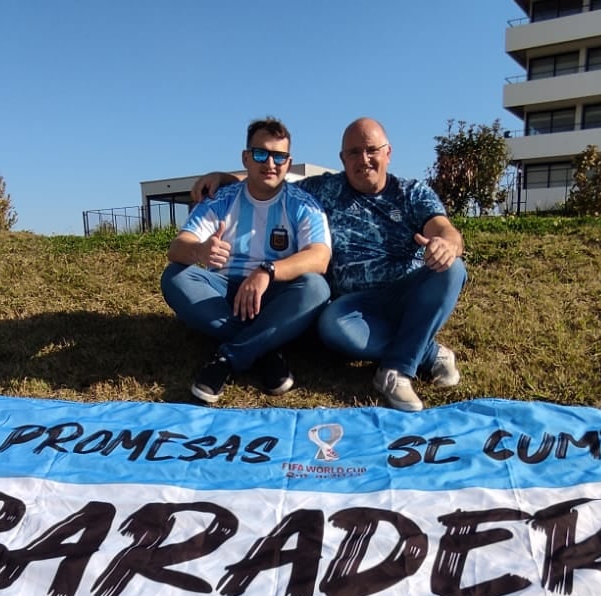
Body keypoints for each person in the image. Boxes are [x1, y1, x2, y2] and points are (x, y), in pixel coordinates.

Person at [193, 117, 465, 412]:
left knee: (453, 268)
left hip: (406, 294)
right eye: (354, 152)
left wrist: (446, 242)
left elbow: (443, 228)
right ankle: (427, 350)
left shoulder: (412, 192)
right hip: (352, 309)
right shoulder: (322, 189)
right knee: (332, 328)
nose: (364, 159)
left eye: (372, 150)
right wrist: (223, 177)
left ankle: (396, 370)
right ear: (342, 158)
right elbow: (270, 178)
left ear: (388, 152)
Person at [162, 117, 332, 405]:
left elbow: (320, 257)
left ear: (289, 163)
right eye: (260, 154)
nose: (270, 163)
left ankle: (228, 357)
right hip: (225, 290)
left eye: (279, 156)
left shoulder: (303, 204)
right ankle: (265, 347)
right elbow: (177, 247)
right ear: (245, 158)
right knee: (175, 277)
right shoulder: (220, 199)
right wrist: (199, 252)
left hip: (275, 293)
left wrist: (268, 271)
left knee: (316, 288)